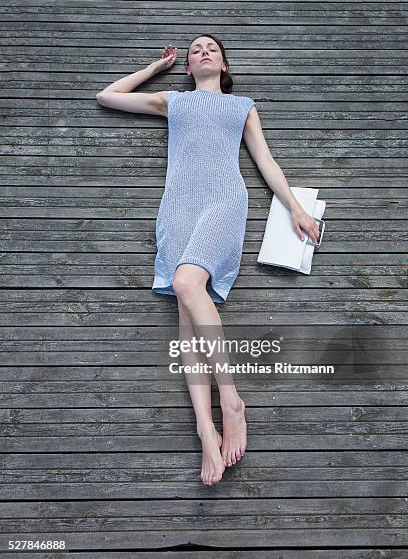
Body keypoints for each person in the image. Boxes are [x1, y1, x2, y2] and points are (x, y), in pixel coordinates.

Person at [96, 34, 320, 486]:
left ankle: (231, 398)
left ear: (224, 65)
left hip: (223, 201)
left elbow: (265, 160)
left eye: (211, 49)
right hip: (178, 207)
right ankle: (205, 427)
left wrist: (295, 206)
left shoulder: (241, 107)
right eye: (196, 49)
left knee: (185, 284)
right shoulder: (173, 101)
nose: (203, 52)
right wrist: (154, 70)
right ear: (188, 66)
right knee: (187, 308)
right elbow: (108, 96)